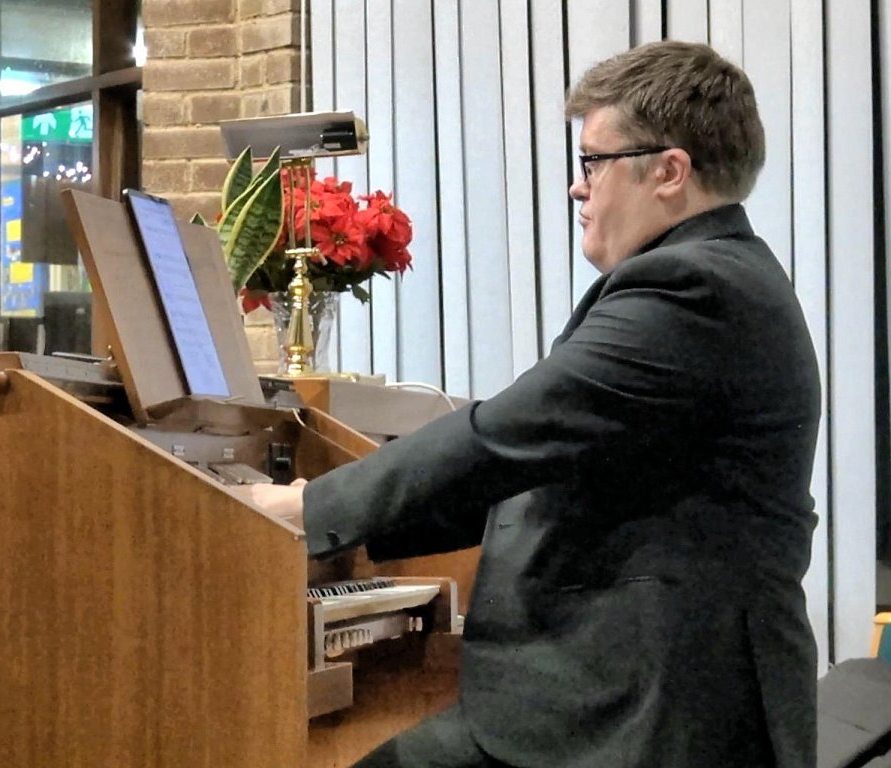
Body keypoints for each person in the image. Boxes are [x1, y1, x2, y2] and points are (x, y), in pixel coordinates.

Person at [250, 40, 821, 768]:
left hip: (655, 706)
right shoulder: (714, 276)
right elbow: (533, 464)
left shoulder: (694, 289)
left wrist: (309, 509)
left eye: (593, 162)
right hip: (623, 680)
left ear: (670, 171)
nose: (578, 188)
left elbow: (507, 435)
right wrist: (347, 528)